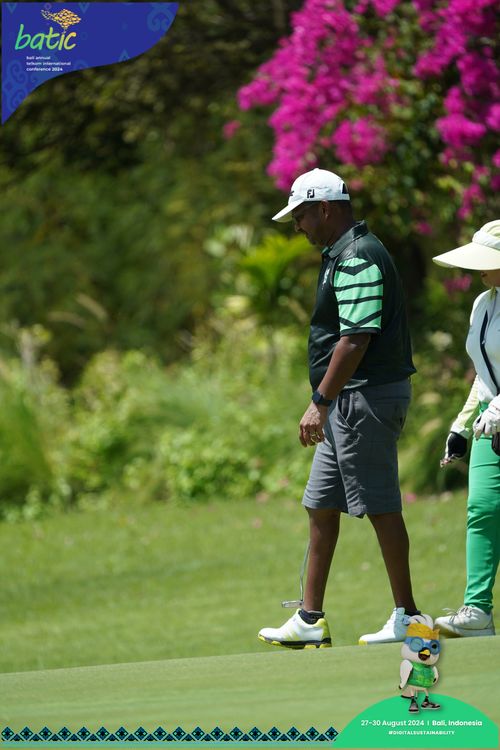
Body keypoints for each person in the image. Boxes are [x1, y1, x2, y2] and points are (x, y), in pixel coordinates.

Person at [258, 168, 420, 648]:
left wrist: (320, 401)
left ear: (325, 208)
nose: (297, 227)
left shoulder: (357, 256)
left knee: (380, 506)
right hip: (348, 400)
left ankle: (409, 617)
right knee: (321, 503)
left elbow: (355, 339)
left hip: (365, 398)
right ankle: (310, 619)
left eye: (301, 216)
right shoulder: (340, 254)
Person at [432, 220, 500, 638]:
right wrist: (460, 425)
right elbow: (483, 373)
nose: (479, 270)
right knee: (482, 510)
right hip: (489, 425)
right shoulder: (482, 303)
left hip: (496, 417)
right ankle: (477, 611)